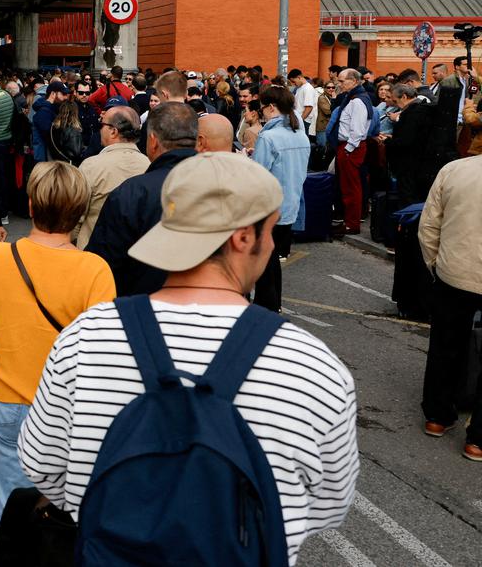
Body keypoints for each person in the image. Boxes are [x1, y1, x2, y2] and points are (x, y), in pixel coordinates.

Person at [18, 153, 359, 564]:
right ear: (243, 237)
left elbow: (42, 465)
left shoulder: (86, 337)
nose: (271, 245)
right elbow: (328, 505)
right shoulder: (312, 366)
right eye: (269, 230)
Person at [0, 162, 115, 566]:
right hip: (69, 407)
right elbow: (101, 344)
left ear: (31, 206)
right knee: (69, 511)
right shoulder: (95, 270)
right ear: (80, 211)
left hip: (7, 396)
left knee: (5, 505)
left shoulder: (0, 257)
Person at [85, 102, 198, 296]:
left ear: (153, 141)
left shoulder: (132, 192)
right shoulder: (221, 185)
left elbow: (103, 261)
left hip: (140, 303)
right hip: (211, 304)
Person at [418, 152, 482, 461]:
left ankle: (437, 416)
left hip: (453, 273)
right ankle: (477, 440)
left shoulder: (454, 170)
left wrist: (436, 264)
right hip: (457, 271)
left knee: (445, 346)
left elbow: (429, 225)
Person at [249, 85, 311, 312]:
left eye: (262, 109)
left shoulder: (269, 137)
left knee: (263, 260)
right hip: (290, 204)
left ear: (271, 107)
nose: (261, 114)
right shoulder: (300, 135)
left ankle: (267, 305)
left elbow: (257, 175)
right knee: (272, 256)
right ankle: (274, 304)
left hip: (268, 206)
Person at [74, 106, 149, 248]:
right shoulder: (149, 165)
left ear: (113, 131)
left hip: (94, 251)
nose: (99, 130)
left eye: (101, 124)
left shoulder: (91, 166)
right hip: (135, 253)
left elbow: (75, 215)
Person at [328, 68, 373, 236]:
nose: (338, 84)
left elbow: (357, 130)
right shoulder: (354, 98)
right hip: (348, 147)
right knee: (347, 186)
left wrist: (347, 150)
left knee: (350, 188)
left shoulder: (357, 101)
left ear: (354, 81)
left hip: (350, 147)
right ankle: (348, 222)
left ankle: (351, 224)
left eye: (342, 81)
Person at [288, 69, 319, 141]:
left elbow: (309, 107)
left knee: (302, 142)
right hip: (300, 119)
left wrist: (300, 120)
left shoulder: (308, 88)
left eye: (294, 81)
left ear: (299, 77)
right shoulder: (300, 88)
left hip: (304, 120)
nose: (293, 84)